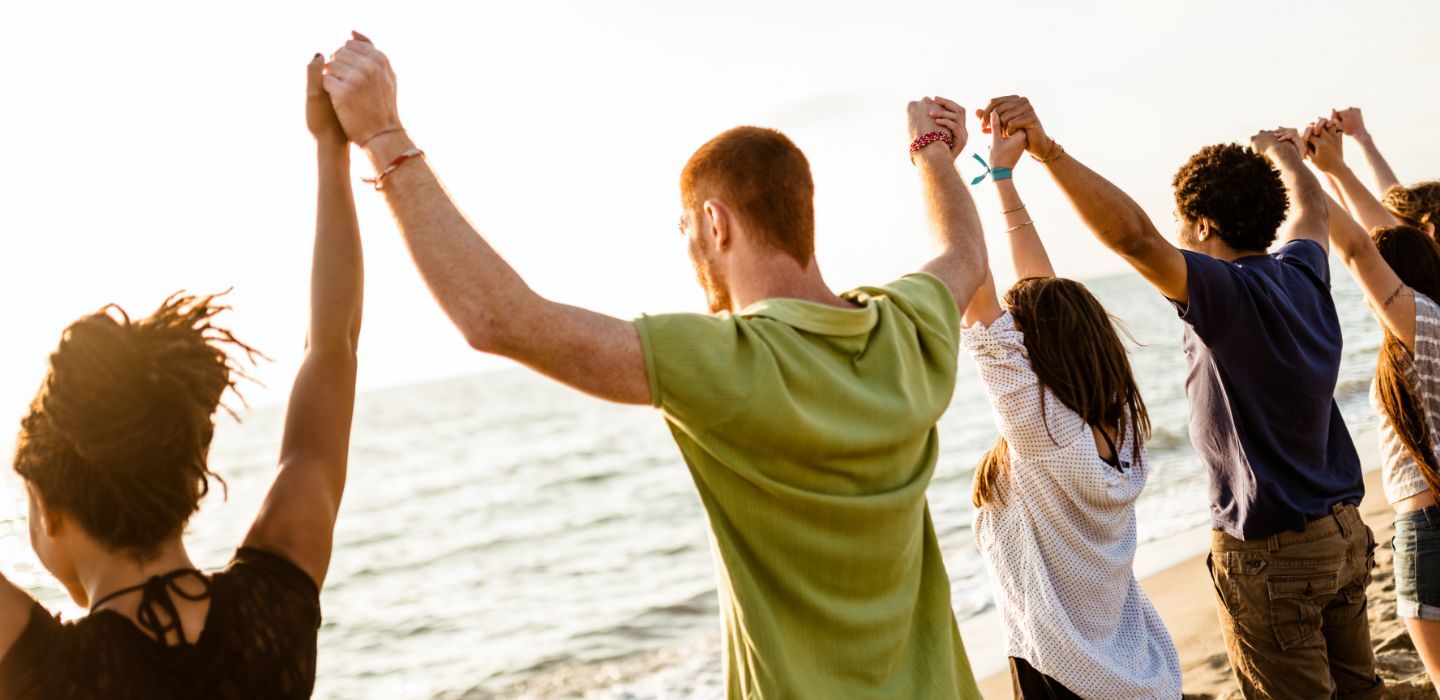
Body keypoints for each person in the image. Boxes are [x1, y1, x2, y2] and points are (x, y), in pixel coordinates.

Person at [320, 32, 986, 699]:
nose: (690, 249)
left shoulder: (729, 362)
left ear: (716, 224)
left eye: (686, 230)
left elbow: (499, 319)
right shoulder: (905, 328)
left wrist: (382, 135)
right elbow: (964, 255)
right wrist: (932, 152)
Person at [973, 95, 1382, 699]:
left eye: (1181, 223)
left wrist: (1050, 154)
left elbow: (1134, 239)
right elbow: (1313, 210)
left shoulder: (1225, 296)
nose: (1176, 236)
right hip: (1342, 534)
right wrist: (1286, 155)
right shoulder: (1303, 274)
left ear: (1204, 226)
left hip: (1275, 554)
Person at [0, 54, 365, 699]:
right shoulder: (274, 606)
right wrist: (331, 148)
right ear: (186, 477)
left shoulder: (50, 671)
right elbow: (331, 347)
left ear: (48, 511)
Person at [926, 104, 1181, 699]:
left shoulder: (1043, 434)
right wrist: (1002, 177)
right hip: (1135, 669)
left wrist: (939, 160)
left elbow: (976, 283)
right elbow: (1040, 293)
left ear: (1033, 350)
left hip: (1067, 678)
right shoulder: (1119, 423)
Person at [1307, 118, 1440, 689]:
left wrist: (1309, 174)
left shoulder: (1424, 328)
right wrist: (1343, 161)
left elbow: (1363, 249)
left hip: (1428, 529)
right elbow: (1386, 235)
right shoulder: (1429, 321)